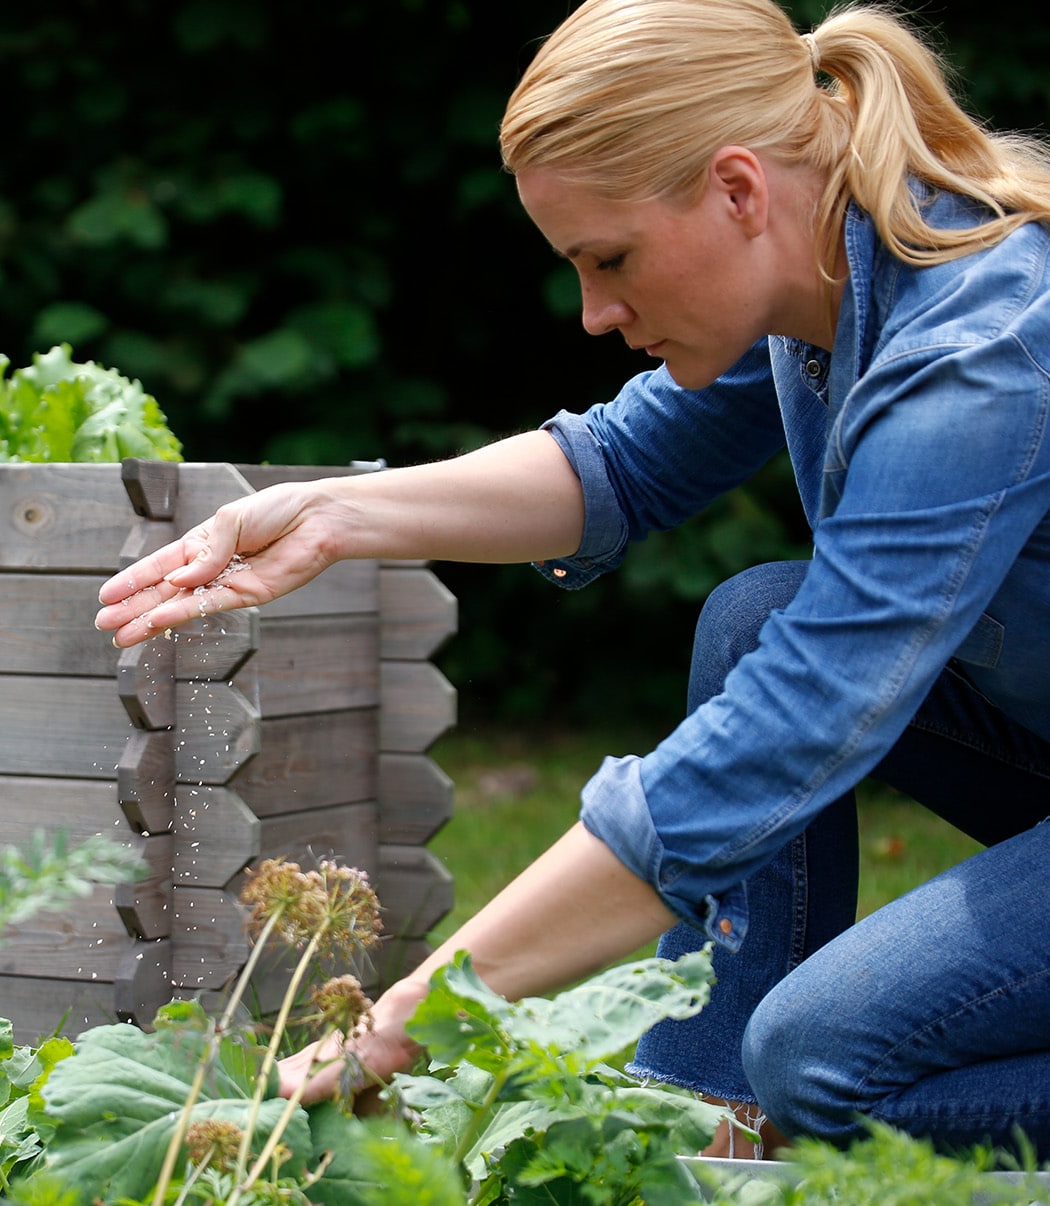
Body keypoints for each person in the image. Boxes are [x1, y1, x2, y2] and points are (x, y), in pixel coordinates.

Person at [95, 0, 1050, 1161]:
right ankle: (704, 1110)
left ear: (740, 190)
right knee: (754, 618)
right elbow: (616, 463)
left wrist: (402, 1023)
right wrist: (336, 516)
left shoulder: (979, 353)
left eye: (611, 260)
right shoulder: (830, 282)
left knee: (824, 1061)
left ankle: (772, 1102)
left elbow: (799, 724)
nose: (597, 313)